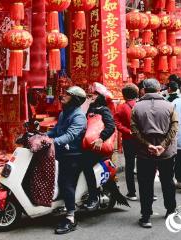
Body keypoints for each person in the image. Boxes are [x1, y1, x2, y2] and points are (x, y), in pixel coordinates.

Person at [131, 78, 178, 228]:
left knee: (145, 183)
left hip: (145, 151)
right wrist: (163, 145)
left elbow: (134, 130)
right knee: (168, 181)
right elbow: (174, 128)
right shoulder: (169, 106)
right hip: (166, 152)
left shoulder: (137, 107)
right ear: (159, 90)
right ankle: (170, 210)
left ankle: (146, 216)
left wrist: (148, 145)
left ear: (144, 90)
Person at [47, 86, 87, 234]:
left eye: (67, 95)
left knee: (65, 183)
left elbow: (70, 135)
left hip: (73, 155)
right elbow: (56, 130)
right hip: (61, 153)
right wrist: (43, 135)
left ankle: (71, 217)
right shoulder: (64, 113)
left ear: (75, 99)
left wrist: (53, 141)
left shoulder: (78, 116)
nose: (62, 96)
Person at [82, 82, 116, 210]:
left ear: (101, 96)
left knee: (85, 165)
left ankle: (93, 196)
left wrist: (101, 138)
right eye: (92, 94)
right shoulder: (90, 108)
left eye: (95, 94)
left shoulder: (104, 110)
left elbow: (111, 126)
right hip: (87, 145)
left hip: (97, 148)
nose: (92, 96)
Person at [114, 83, 138, 200]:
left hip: (129, 140)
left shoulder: (121, 107)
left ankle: (132, 193)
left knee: (129, 165)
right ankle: (149, 192)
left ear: (124, 96)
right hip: (142, 140)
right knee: (144, 165)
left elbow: (117, 123)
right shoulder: (141, 105)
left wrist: (128, 131)